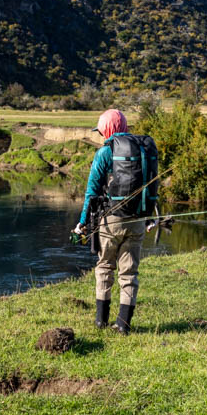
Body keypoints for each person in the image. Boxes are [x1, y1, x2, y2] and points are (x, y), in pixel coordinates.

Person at [73, 109, 158, 334]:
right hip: (138, 219)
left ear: (107, 130)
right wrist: (149, 216)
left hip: (111, 221)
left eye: (101, 131)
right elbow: (149, 185)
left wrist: (82, 223)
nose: (101, 135)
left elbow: (92, 192)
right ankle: (123, 324)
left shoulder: (105, 152)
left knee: (105, 267)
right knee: (129, 273)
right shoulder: (142, 150)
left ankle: (101, 321)